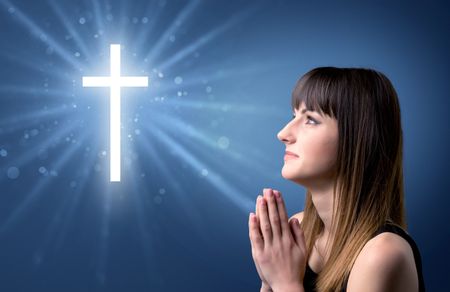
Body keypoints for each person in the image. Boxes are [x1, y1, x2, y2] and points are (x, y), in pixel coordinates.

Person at [248, 67, 425, 292]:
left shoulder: (382, 254)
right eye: (294, 116)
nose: (283, 133)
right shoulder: (299, 229)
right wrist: (268, 280)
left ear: (359, 138)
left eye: (311, 119)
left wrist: (285, 283)